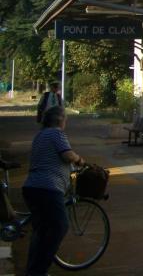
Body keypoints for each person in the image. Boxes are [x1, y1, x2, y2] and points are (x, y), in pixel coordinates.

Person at [23, 105, 85, 276]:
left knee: (41, 231)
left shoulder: (41, 135)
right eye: (65, 118)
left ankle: (33, 269)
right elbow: (67, 154)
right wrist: (79, 160)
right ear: (59, 120)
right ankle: (39, 270)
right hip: (48, 188)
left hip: (32, 187)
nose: (66, 121)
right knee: (59, 226)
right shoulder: (56, 133)